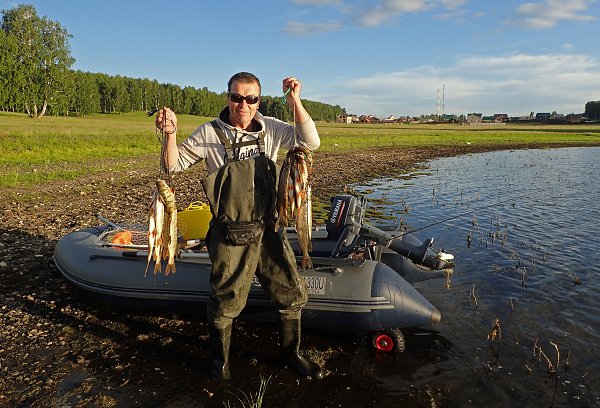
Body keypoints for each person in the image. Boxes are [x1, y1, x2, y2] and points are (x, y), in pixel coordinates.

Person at [155, 72, 324, 380]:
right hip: (229, 233)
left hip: (269, 228)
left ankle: (292, 354)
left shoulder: (271, 128)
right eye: (236, 97)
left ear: (258, 101)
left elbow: (310, 142)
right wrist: (170, 133)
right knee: (225, 299)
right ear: (228, 98)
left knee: (289, 291)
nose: (243, 105)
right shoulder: (210, 133)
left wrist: (295, 101)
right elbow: (171, 165)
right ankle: (220, 362)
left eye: (250, 98)